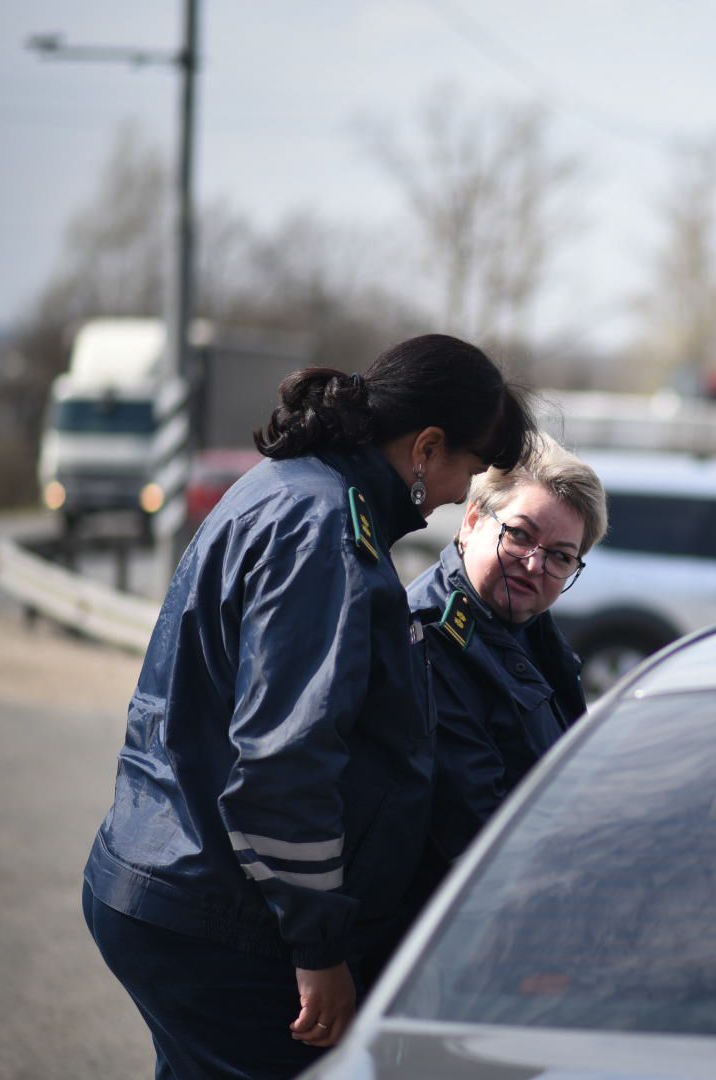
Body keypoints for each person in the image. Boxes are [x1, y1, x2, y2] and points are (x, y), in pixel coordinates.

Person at [81, 333, 534, 1080]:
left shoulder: (295, 487)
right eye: (470, 467)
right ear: (425, 448)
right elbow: (282, 764)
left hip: (171, 880)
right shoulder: (325, 530)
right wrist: (320, 948)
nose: (464, 494)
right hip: (221, 920)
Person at [396, 435, 607, 927]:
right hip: (457, 936)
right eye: (519, 535)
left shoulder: (524, 629)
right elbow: (475, 829)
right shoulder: (430, 636)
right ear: (471, 522)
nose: (535, 564)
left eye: (560, 557)